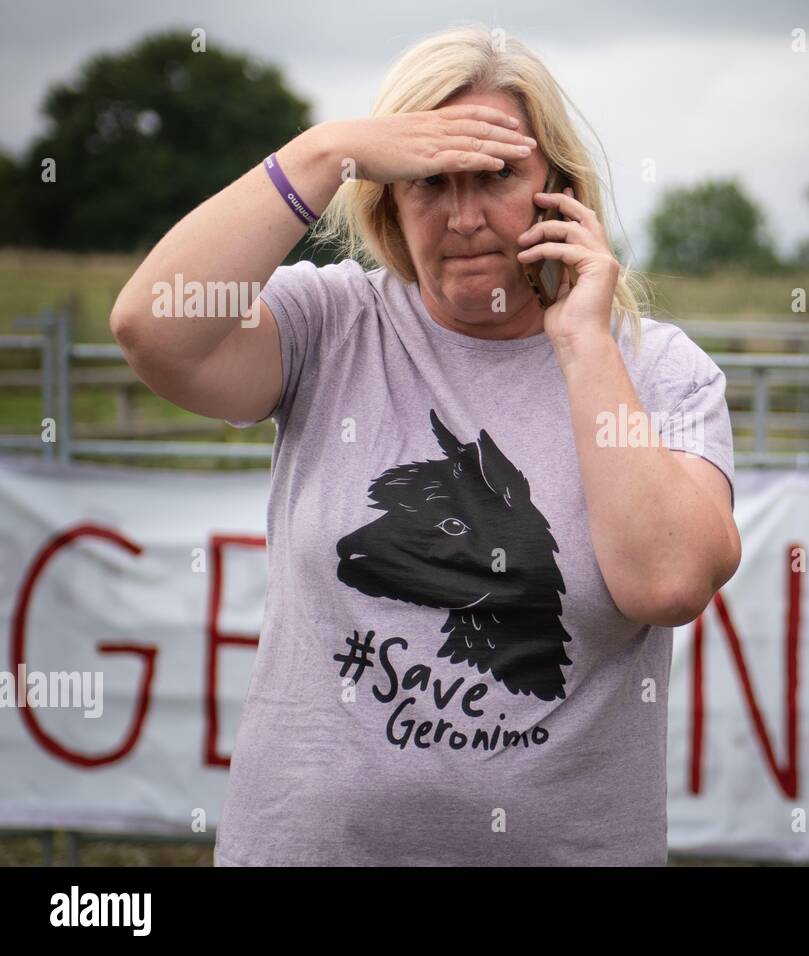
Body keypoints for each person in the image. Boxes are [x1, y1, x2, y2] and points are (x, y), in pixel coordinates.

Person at [109, 24, 741, 866]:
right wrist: (323, 152)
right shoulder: (330, 323)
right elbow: (152, 332)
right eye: (428, 181)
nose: (465, 216)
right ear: (387, 201)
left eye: (497, 176)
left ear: (555, 188)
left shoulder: (661, 372)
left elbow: (667, 581)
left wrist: (584, 344)